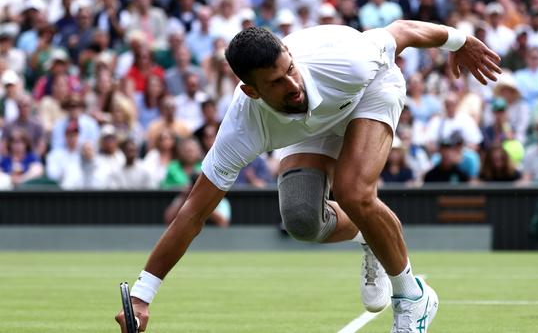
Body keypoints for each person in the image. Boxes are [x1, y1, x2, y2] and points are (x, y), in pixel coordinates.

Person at [115, 21, 501, 333]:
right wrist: (142, 296)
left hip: (367, 92)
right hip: (313, 124)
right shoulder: (242, 127)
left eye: (290, 69)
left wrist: (459, 41)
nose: (292, 84)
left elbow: (401, 32)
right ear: (251, 91)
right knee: (301, 220)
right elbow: (192, 214)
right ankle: (371, 233)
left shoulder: (349, 60)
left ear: (291, 55)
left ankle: (412, 298)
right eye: (277, 82)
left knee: (353, 191)